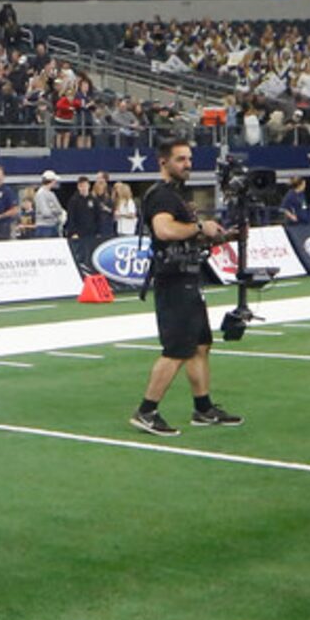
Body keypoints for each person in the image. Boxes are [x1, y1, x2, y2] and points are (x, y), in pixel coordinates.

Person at [131, 139, 242, 437]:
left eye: (189, 159)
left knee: (199, 345)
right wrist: (198, 228)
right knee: (177, 349)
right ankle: (146, 410)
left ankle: (203, 408)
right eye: (180, 159)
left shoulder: (178, 196)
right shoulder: (162, 195)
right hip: (173, 278)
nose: (187, 164)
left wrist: (218, 236)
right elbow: (165, 230)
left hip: (188, 275)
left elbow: (186, 235)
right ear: (163, 162)